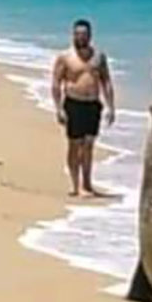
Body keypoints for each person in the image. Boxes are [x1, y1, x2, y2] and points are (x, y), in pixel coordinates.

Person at [51, 19, 116, 197]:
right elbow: (56, 83)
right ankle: (75, 185)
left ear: (90, 36)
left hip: (93, 105)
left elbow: (106, 81)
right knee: (75, 144)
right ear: (73, 35)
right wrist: (58, 108)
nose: (80, 37)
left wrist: (111, 107)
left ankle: (87, 183)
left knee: (88, 145)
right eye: (77, 34)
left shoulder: (99, 57)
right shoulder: (65, 57)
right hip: (73, 103)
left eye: (84, 34)